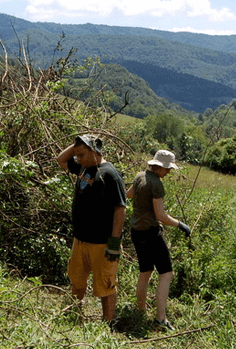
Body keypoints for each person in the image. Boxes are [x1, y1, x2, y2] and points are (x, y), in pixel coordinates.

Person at [57, 135, 127, 324]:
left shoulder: (109, 174)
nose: (77, 158)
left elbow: (120, 209)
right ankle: (74, 316)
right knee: (77, 279)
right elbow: (61, 160)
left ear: (95, 152)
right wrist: (77, 147)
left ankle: (108, 323)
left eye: (81, 154)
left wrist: (114, 242)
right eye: (77, 155)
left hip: (101, 242)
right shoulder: (83, 167)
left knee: (106, 284)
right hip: (80, 239)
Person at [126, 150, 191, 330]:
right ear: (159, 166)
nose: (168, 172)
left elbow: (129, 194)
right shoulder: (156, 184)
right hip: (151, 233)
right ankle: (160, 319)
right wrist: (180, 225)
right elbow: (161, 215)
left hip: (136, 232)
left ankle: (140, 311)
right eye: (167, 169)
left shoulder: (140, 176)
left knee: (145, 272)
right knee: (167, 274)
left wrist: (142, 204)